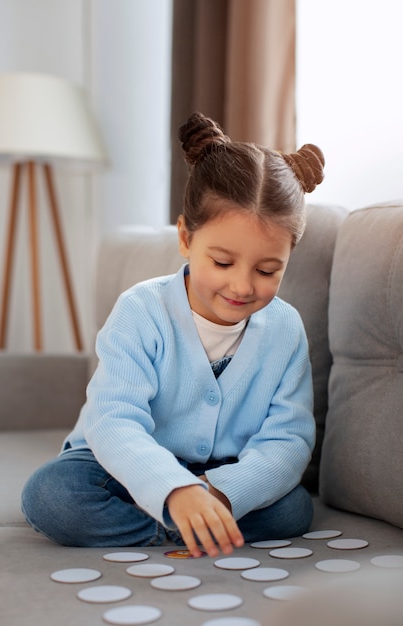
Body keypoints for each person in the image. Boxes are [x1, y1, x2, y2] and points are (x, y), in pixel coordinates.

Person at [21, 112, 325, 558]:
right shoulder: (140, 309)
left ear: (288, 257)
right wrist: (175, 490)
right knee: (51, 495)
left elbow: (288, 440)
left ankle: (201, 521)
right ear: (185, 237)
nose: (242, 286)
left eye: (267, 270)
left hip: (223, 472)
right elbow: (114, 421)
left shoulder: (285, 329)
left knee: (293, 510)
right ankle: (183, 524)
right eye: (222, 263)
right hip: (122, 463)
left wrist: (221, 492)